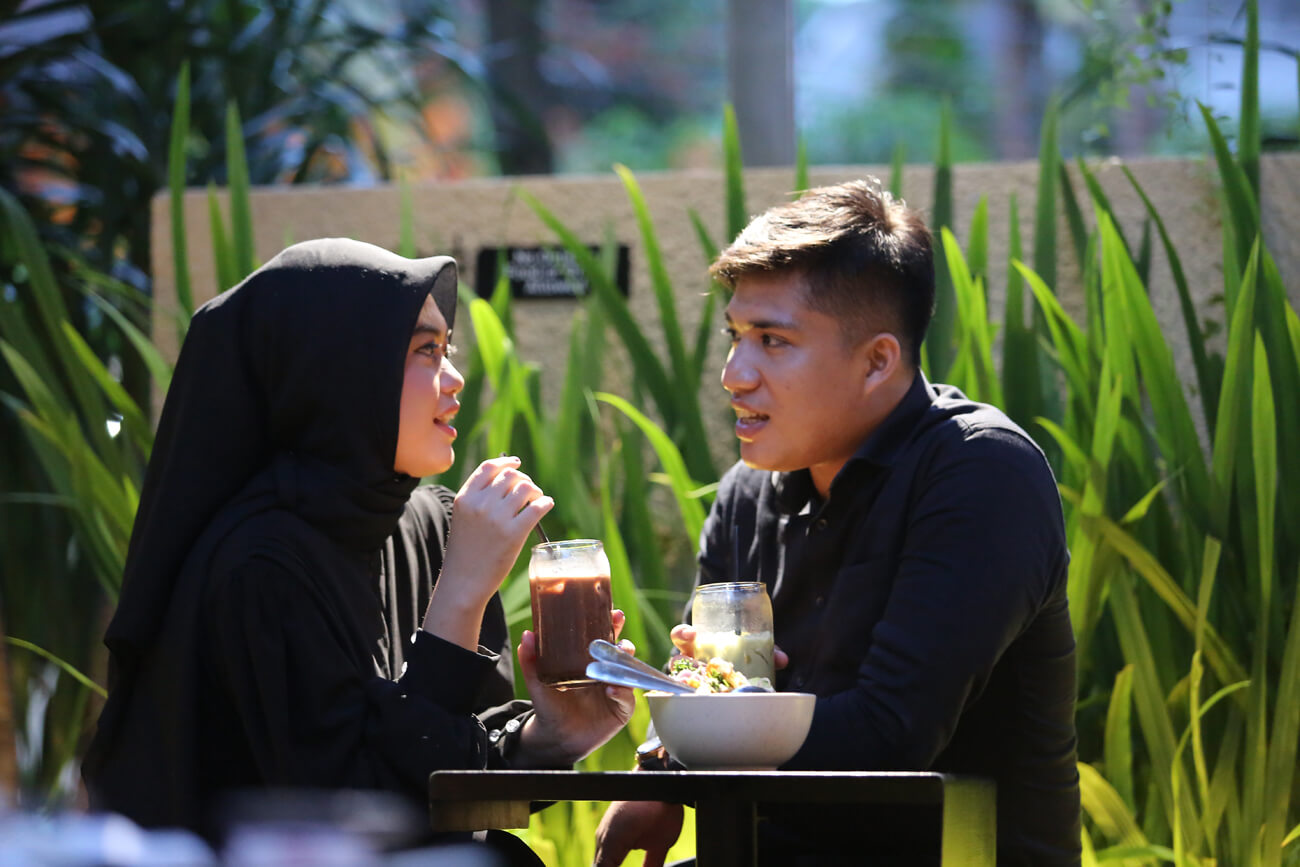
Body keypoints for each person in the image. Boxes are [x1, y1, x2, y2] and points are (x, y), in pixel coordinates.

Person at [81, 238, 634, 856]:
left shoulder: (431, 523)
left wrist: (550, 737)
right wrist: (461, 592)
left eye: (447, 349)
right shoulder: (259, 568)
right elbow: (357, 820)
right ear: (339, 371)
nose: (455, 380)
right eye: (425, 350)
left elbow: (457, 774)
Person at [594, 180, 1081, 866]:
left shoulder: (981, 472)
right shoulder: (745, 495)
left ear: (877, 361)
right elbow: (702, 692)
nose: (734, 374)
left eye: (772, 340)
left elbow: (890, 736)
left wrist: (711, 733)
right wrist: (658, 764)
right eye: (735, 335)